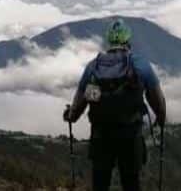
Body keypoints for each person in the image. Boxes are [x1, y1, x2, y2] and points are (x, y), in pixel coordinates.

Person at [63, 18, 167, 191]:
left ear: (108, 40)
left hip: (101, 136)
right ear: (128, 40)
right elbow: (158, 101)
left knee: (100, 182)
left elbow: (82, 102)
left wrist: (70, 115)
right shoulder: (140, 65)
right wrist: (161, 119)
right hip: (130, 135)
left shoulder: (93, 68)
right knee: (131, 182)